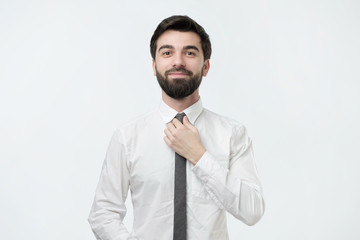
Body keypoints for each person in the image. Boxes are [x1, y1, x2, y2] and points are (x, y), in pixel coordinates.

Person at [88, 15, 265, 240]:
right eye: (167, 52)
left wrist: (199, 156)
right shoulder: (127, 136)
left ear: (206, 66)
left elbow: (252, 211)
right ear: (154, 65)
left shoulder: (232, 134)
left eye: (190, 52)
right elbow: (103, 213)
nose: (178, 61)